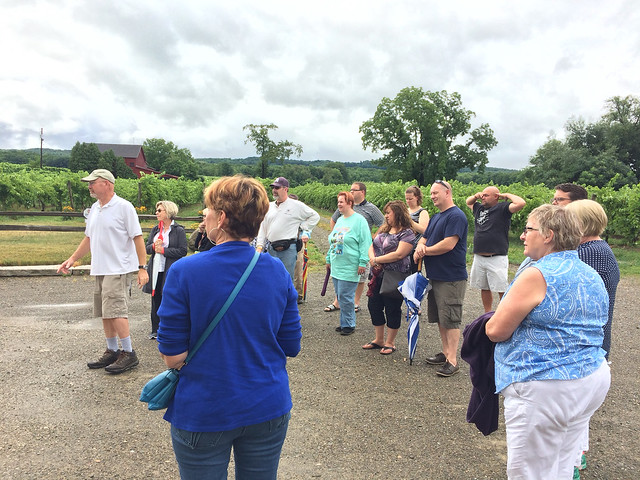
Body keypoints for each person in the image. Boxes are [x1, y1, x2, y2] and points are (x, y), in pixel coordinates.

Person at [157, 175, 302, 480]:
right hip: (267, 405)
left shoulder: (184, 271)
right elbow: (291, 346)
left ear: (221, 218)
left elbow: (173, 357)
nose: (204, 216)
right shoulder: (277, 270)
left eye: (208, 210)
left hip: (204, 409)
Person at [485, 205, 610, 480]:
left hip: (546, 385)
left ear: (548, 235)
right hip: (590, 377)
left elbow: (496, 331)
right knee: (562, 464)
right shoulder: (590, 273)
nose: (522, 235)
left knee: (530, 472)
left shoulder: (536, 274)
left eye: (528, 229)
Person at [57, 169, 149, 374]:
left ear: (107, 183)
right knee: (105, 312)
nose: (89, 185)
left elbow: (138, 237)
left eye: (93, 182)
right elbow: (88, 238)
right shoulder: (95, 209)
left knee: (116, 310)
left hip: (118, 267)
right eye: (88, 183)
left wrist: (142, 268)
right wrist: (72, 259)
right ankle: (112, 350)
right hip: (101, 267)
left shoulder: (124, 207)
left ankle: (129, 352)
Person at [566, 199, 620, 476]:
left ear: (580, 224)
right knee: (579, 413)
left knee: (572, 413)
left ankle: (571, 464)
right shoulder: (598, 248)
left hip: (585, 345)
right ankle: (579, 457)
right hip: (595, 343)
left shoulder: (589, 253)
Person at [414, 180, 467, 377]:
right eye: (431, 194)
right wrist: (420, 247)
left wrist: (424, 251)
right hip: (435, 276)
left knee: (451, 318)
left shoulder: (456, 216)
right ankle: (446, 353)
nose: (433, 196)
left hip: (451, 277)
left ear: (447, 193)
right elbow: (424, 236)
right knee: (441, 318)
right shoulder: (437, 217)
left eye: (436, 193)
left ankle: (453, 361)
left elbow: (448, 244)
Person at [364, 200, 415, 355]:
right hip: (377, 275)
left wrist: (378, 260)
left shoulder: (407, 233)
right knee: (374, 306)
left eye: (388, 213)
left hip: (394, 276)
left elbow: (399, 254)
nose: (386, 216)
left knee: (392, 308)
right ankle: (379, 339)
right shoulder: (384, 229)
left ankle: (390, 342)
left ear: (398, 213)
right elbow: (371, 245)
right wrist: (373, 259)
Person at [325, 182, 384, 313]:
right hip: (344, 244)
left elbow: (383, 223)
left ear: (362, 192)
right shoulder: (343, 208)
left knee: (360, 277)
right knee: (341, 278)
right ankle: (337, 301)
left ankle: (355, 302)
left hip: (361, 245)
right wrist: (337, 236)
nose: (351, 192)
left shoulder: (371, 208)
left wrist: (374, 237)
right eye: (350, 190)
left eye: (354, 190)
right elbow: (334, 219)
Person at [465, 186, 526, 312]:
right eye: (483, 194)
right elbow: (468, 202)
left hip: (496, 256)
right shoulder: (479, 208)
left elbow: (521, 203)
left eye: (486, 195)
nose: (483, 197)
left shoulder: (503, 208)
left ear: (496, 196)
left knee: (501, 288)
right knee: (484, 287)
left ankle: (504, 312)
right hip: (479, 256)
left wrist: (507, 195)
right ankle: (487, 313)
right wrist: (476, 196)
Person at [326, 191, 372, 335]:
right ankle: (344, 322)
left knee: (346, 296)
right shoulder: (340, 220)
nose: (339, 204)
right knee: (340, 296)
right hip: (337, 265)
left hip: (350, 265)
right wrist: (328, 258)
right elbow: (333, 241)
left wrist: (363, 262)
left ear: (350, 203)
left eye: (341, 202)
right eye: (338, 202)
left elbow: (366, 242)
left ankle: (349, 324)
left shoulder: (359, 221)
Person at [256, 177, 319, 280]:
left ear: (285, 189)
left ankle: (287, 296)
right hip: (272, 248)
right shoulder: (269, 206)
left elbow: (315, 216)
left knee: (286, 278)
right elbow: (263, 227)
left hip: (288, 249)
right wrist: (259, 245)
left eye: (277, 188)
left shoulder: (296, 205)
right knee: (272, 278)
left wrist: (303, 227)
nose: (274, 190)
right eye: (273, 188)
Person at [143, 200, 187, 340]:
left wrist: (164, 250)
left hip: (169, 269)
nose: (156, 213)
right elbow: (147, 248)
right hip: (155, 268)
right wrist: (154, 247)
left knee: (167, 298)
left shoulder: (178, 230)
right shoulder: (156, 229)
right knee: (155, 298)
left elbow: (182, 251)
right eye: (157, 210)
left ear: (168, 212)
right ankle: (155, 329)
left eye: (159, 210)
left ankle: (168, 328)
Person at [405, 185, 430, 273]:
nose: (408, 201)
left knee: (413, 273)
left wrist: (409, 221)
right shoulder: (405, 210)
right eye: (406, 199)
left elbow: (424, 230)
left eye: (410, 199)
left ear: (417, 198)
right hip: (403, 246)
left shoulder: (422, 212)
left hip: (415, 247)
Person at [288, 194, 307, 304]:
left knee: (298, 267)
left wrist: (305, 235)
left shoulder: (301, 215)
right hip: (285, 243)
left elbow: (306, 228)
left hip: (298, 243)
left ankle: (298, 294)